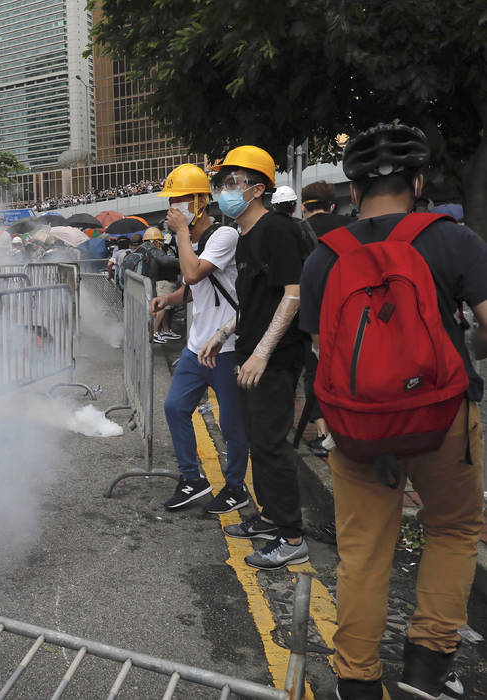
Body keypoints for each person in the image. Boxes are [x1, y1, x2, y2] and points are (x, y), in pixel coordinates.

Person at [300, 123, 487, 700]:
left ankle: (356, 681)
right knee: (454, 530)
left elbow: (322, 353)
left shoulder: (324, 258)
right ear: (419, 183)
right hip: (442, 420)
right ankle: (428, 666)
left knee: (362, 553)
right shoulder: (454, 240)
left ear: (352, 193)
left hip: (358, 430)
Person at [199, 145, 308, 570]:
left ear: (258, 189)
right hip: (248, 353)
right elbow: (251, 304)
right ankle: (269, 518)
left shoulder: (276, 229)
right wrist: (223, 333)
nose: (223, 191)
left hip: (275, 359)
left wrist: (262, 353)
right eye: (221, 183)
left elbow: (293, 294)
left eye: (232, 183)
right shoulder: (245, 237)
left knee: (269, 444)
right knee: (255, 441)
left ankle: (292, 535)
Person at [152, 163, 250, 513]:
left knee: (231, 425)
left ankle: (236, 486)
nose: (171, 210)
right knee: (175, 407)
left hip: (227, 349)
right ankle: (192, 478)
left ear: (198, 202)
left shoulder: (225, 235)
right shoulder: (194, 241)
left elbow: (193, 274)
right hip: (197, 347)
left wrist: (180, 232)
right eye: (170, 202)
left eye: (178, 202)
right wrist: (168, 300)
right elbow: (194, 291)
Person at [299, 180, 352, 456]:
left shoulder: (297, 231)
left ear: (302, 206)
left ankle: (322, 432)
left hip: (311, 313)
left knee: (314, 371)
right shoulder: (350, 227)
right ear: (332, 205)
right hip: (348, 310)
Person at [140, 227, 181, 343]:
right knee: (162, 307)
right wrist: (183, 262)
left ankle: (165, 330)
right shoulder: (154, 250)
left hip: (155, 280)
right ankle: (155, 332)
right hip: (161, 281)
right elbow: (166, 261)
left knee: (165, 307)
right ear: (155, 240)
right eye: (159, 240)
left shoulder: (143, 249)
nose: (161, 242)